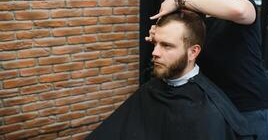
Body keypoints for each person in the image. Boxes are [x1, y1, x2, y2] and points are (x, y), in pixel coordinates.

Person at [147, 0, 268, 140]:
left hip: (252, 109)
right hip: (219, 110)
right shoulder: (199, 22)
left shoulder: (243, 6)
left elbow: (239, 10)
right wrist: (163, 40)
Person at [86, 10, 254, 140]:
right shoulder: (150, 91)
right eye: (155, 43)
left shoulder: (212, 111)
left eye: (166, 46)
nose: (155, 52)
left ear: (193, 52)